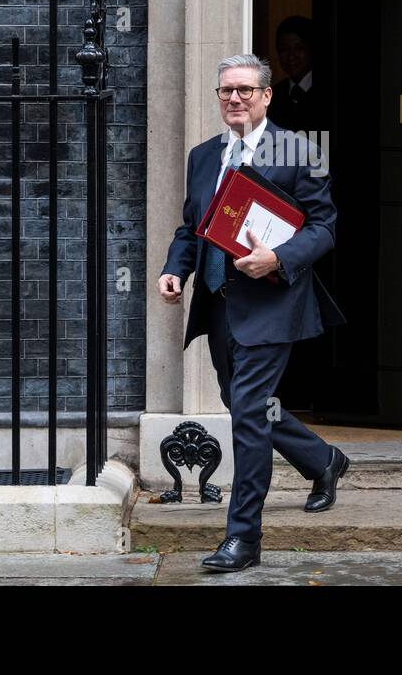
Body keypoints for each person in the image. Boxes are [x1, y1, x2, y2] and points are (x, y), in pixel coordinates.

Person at [157, 53, 349, 572]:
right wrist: (175, 269)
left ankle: (243, 538)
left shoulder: (297, 151)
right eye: (226, 91)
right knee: (246, 404)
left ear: (266, 96)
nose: (235, 99)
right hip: (218, 304)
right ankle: (322, 460)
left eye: (245, 90)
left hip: (272, 304)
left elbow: (324, 227)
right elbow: (189, 227)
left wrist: (278, 258)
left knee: (245, 412)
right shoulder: (203, 156)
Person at [266, 15, 326, 134]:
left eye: (299, 48)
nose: (291, 56)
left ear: (312, 49)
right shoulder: (272, 97)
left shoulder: (328, 93)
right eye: (283, 49)